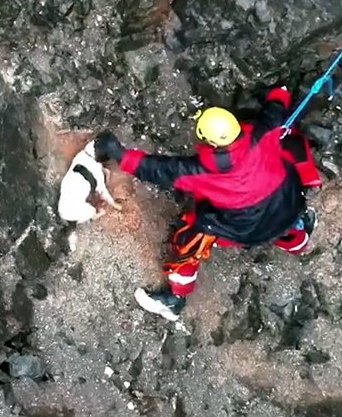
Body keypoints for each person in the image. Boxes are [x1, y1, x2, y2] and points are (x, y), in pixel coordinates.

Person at [92, 85, 321, 321]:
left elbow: (155, 169)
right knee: (289, 156)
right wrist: (280, 91)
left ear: (210, 142)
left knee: (189, 237)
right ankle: (298, 239)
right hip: (289, 206)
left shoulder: (199, 172)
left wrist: (117, 153)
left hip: (248, 230)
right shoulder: (262, 134)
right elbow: (274, 110)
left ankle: (174, 297)